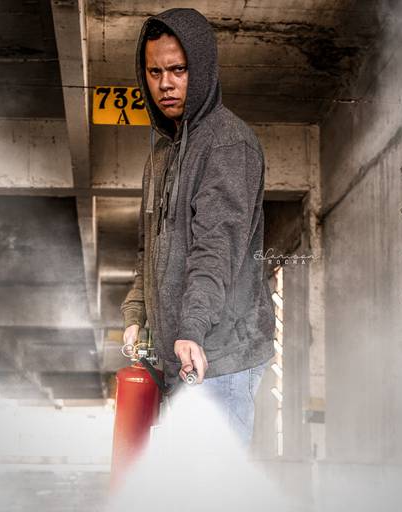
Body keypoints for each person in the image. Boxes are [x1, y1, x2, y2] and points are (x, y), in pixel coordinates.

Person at [121, 8, 275, 447]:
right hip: (182, 353)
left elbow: (216, 248)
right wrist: (136, 314)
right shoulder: (160, 158)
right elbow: (148, 253)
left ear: (202, 69)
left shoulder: (228, 144)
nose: (165, 84)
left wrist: (192, 326)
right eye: (154, 72)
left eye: (178, 69)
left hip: (220, 355)